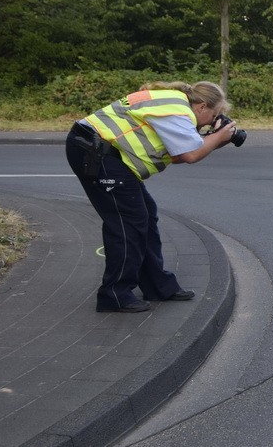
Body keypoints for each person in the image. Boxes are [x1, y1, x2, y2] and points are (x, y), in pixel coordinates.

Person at [65, 81, 238, 313]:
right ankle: (114, 295)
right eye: (215, 115)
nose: (211, 122)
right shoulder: (178, 112)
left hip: (102, 152)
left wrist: (216, 139)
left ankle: (158, 286)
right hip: (97, 152)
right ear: (202, 107)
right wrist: (219, 137)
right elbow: (190, 155)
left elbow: (178, 154)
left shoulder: (172, 103)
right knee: (129, 221)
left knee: (145, 215)